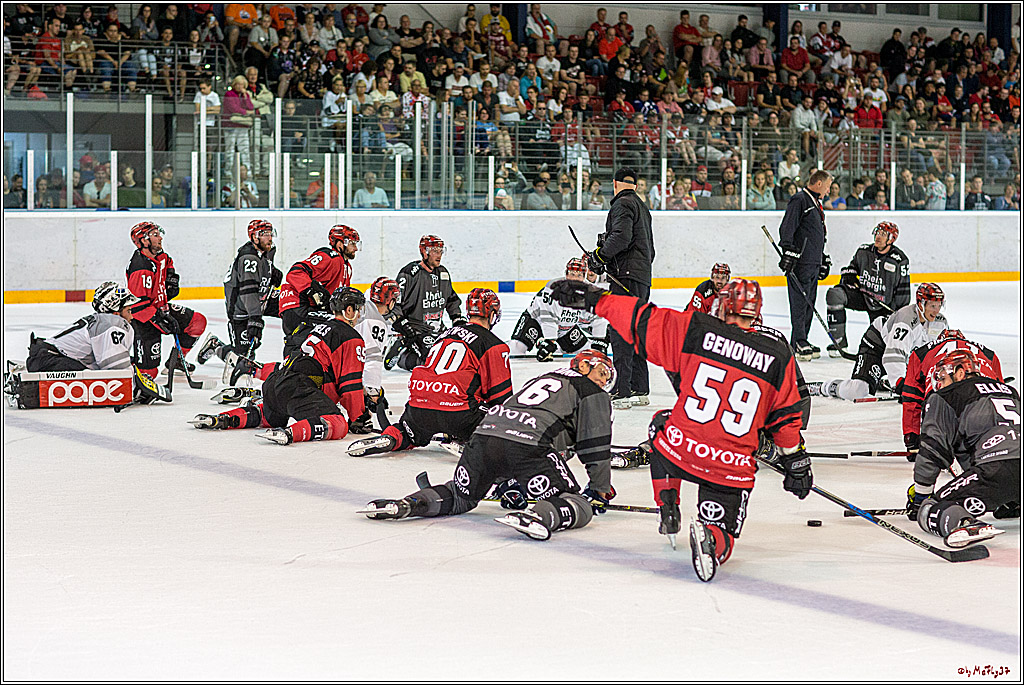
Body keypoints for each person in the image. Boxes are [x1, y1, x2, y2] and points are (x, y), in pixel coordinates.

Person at [548, 277, 808, 581]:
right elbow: (786, 417)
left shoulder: (696, 329)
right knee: (723, 532)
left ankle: (668, 506)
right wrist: (796, 463)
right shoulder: (777, 353)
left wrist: (597, 299)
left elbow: (640, 319)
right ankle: (712, 540)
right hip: (730, 466)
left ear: (722, 306)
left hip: (681, 450)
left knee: (661, 425)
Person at [359, 348, 616, 544]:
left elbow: (521, 432)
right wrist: (599, 489)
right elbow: (595, 445)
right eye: (603, 373)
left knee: (460, 496)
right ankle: (539, 516)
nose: (604, 382)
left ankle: (409, 504)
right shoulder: (593, 392)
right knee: (578, 504)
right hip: (527, 445)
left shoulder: (542, 378)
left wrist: (511, 482)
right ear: (584, 365)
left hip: (484, 436)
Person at [190, 287, 367, 446]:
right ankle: (290, 433)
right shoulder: (351, 337)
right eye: (358, 309)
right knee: (338, 423)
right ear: (349, 310)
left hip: (275, 383)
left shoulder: (319, 328)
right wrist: (358, 417)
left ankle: (223, 419)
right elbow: (350, 384)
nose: (360, 314)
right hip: (298, 389)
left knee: (269, 415)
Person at [348, 287, 512, 457]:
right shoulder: (494, 345)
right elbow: (501, 398)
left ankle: (394, 436)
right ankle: (473, 441)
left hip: (419, 407)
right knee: (502, 419)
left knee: (409, 431)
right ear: (492, 315)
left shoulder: (444, 335)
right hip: (460, 415)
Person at [907, 349, 1020, 548]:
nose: (941, 385)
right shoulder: (1010, 391)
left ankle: (965, 523)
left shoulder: (948, 396)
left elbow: (933, 449)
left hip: (996, 469)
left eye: (943, 378)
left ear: (960, 373)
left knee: (929, 510)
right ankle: (1013, 502)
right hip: (1007, 466)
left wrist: (921, 497)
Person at [809, 283, 948, 401]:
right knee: (858, 390)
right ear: (921, 305)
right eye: (932, 306)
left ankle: (883, 382)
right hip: (876, 346)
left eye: (939, 306)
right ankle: (825, 387)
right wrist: (900, 384)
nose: (936, 311)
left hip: (902, 354)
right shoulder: (906, 321)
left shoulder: (940, 323)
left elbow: (936, 353)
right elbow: (893, 355)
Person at [587, 167, 654, 409]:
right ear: (635, 185)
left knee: (621, 331)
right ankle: (639, 387)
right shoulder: (642, 207)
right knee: (636, 330)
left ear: (615, 184)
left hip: (625, 278)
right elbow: (648, 249)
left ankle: (622, 390)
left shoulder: (622, 204)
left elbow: (621, 237)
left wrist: (599, 256)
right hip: (641, 277)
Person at [901, 329, 1005, 459]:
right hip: (984, 392)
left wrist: (911, 438)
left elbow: (912, 397)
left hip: (943, 391)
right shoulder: (989, 354)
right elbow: (1002, 394)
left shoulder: (920, 353)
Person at [197, 219, 283, 374]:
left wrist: (272, 273)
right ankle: (216, 347)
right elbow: (248, 292)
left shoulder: (268, 249)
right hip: (241, 308)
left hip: (262, 299)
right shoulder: (248, 258)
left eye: (270, 233)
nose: (269, 238)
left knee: (292, 306)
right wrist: (255, 318)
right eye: (265, 234)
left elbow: (263, 268)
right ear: (254, 237)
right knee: (244, 360)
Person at [125, 222, 208, 379]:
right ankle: (127, 364)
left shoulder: (160, 256)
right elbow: (137, 305)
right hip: (144, 320)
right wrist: (159, 318)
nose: (160, 238)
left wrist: (171, 277)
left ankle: (177, 361)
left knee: (197, 322)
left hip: (160, 309)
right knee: (149, 374)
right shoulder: (140, 268)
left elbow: (167, 262)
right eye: (155, 235)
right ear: (144, 241)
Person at [824, 222, 911, 355]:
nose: (878, 237)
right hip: (864, 296)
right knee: (835, 294)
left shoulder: (899, 260)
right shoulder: (863, 251)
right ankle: (838, 342)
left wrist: (898, 313)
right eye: (877, 233)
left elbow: (903, 291)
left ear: (891, 239)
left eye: (883, 234)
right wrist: (849, 276)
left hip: (884, 305)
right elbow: (851, 268)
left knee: (879, 346)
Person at [278, 225, 359, 357]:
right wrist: (311, 289)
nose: (355, 248)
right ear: (339, 244)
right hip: (297, 306)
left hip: (309, 309)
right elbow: (295, 272)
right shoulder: (329, 257)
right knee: (305, 343)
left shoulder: (347, 268)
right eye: (351, 244)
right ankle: (291, 365)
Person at [777, 169, 832, 361]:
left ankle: (801, 340)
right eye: (827, 187)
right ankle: (799, 340)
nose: (828, 191)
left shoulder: (814, 202)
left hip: (812, 261)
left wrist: (821, 258)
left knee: (809, 302)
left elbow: (813, 234)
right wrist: (789, 251)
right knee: (800, 302)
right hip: (801, 262)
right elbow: (787, 227)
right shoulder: (800, 200)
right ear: (819, 183)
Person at [509, 257, 609, 361]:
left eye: (579, 275)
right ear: (566, 275)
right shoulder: (552, 289)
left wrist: (599, 339)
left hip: (565, 328)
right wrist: (550, 341)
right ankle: (544, 341)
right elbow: (547, 317)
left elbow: (597, 317)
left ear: (584, 277)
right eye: (572, 274)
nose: (575, 279)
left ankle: (552, 345)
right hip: (536, 321)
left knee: (587, 351)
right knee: (516, 348)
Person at [25, 281, 137, 372]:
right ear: (116, 313)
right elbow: (116, 370)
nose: (131, 317)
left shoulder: (100, 321)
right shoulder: (111, 323)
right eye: (128, 311)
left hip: (44, 357)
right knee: (89, 377)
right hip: (50, 360)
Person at [390, 235, 464, 371]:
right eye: (435, 251)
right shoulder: (409, 273)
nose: (439, 255)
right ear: (424, 252)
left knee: (457, 355)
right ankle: (402, 353)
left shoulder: (443, 273)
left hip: (437, 329)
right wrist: (403, 326)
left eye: (441, 251)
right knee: (431, 363)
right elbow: (395, 302)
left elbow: (451, 299)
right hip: (416, 329)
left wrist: (457, 318)